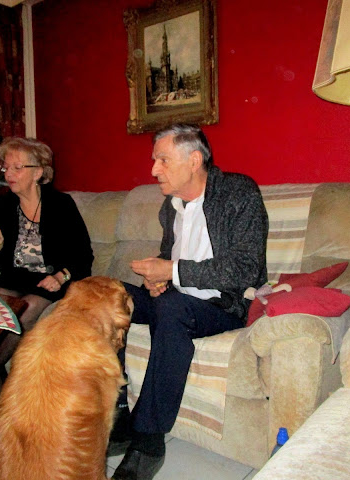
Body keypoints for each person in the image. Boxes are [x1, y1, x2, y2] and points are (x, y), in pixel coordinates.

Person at [110, 124, 268, 480]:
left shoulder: (238, 192)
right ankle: (118, 412)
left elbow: (245, 268)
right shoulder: (170, 207)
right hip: (177, 299)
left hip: (223, 306)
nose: (154, 169)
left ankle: (148, 440)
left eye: (163, 160)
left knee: (172, 307)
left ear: (194, 161)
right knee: (105, 294)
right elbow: (171, 259)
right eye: (155, 160)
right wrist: (157, 279)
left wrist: (171, 271)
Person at [0, 137, 93, 413]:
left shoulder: (61, 204)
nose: (8, 174)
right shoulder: (1, 207)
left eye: (17, 167)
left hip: (49, 280)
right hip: (14, 277)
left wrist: (61, 277)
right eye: (6, 167)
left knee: (25, 310)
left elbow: (84, 256)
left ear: (38, 172)